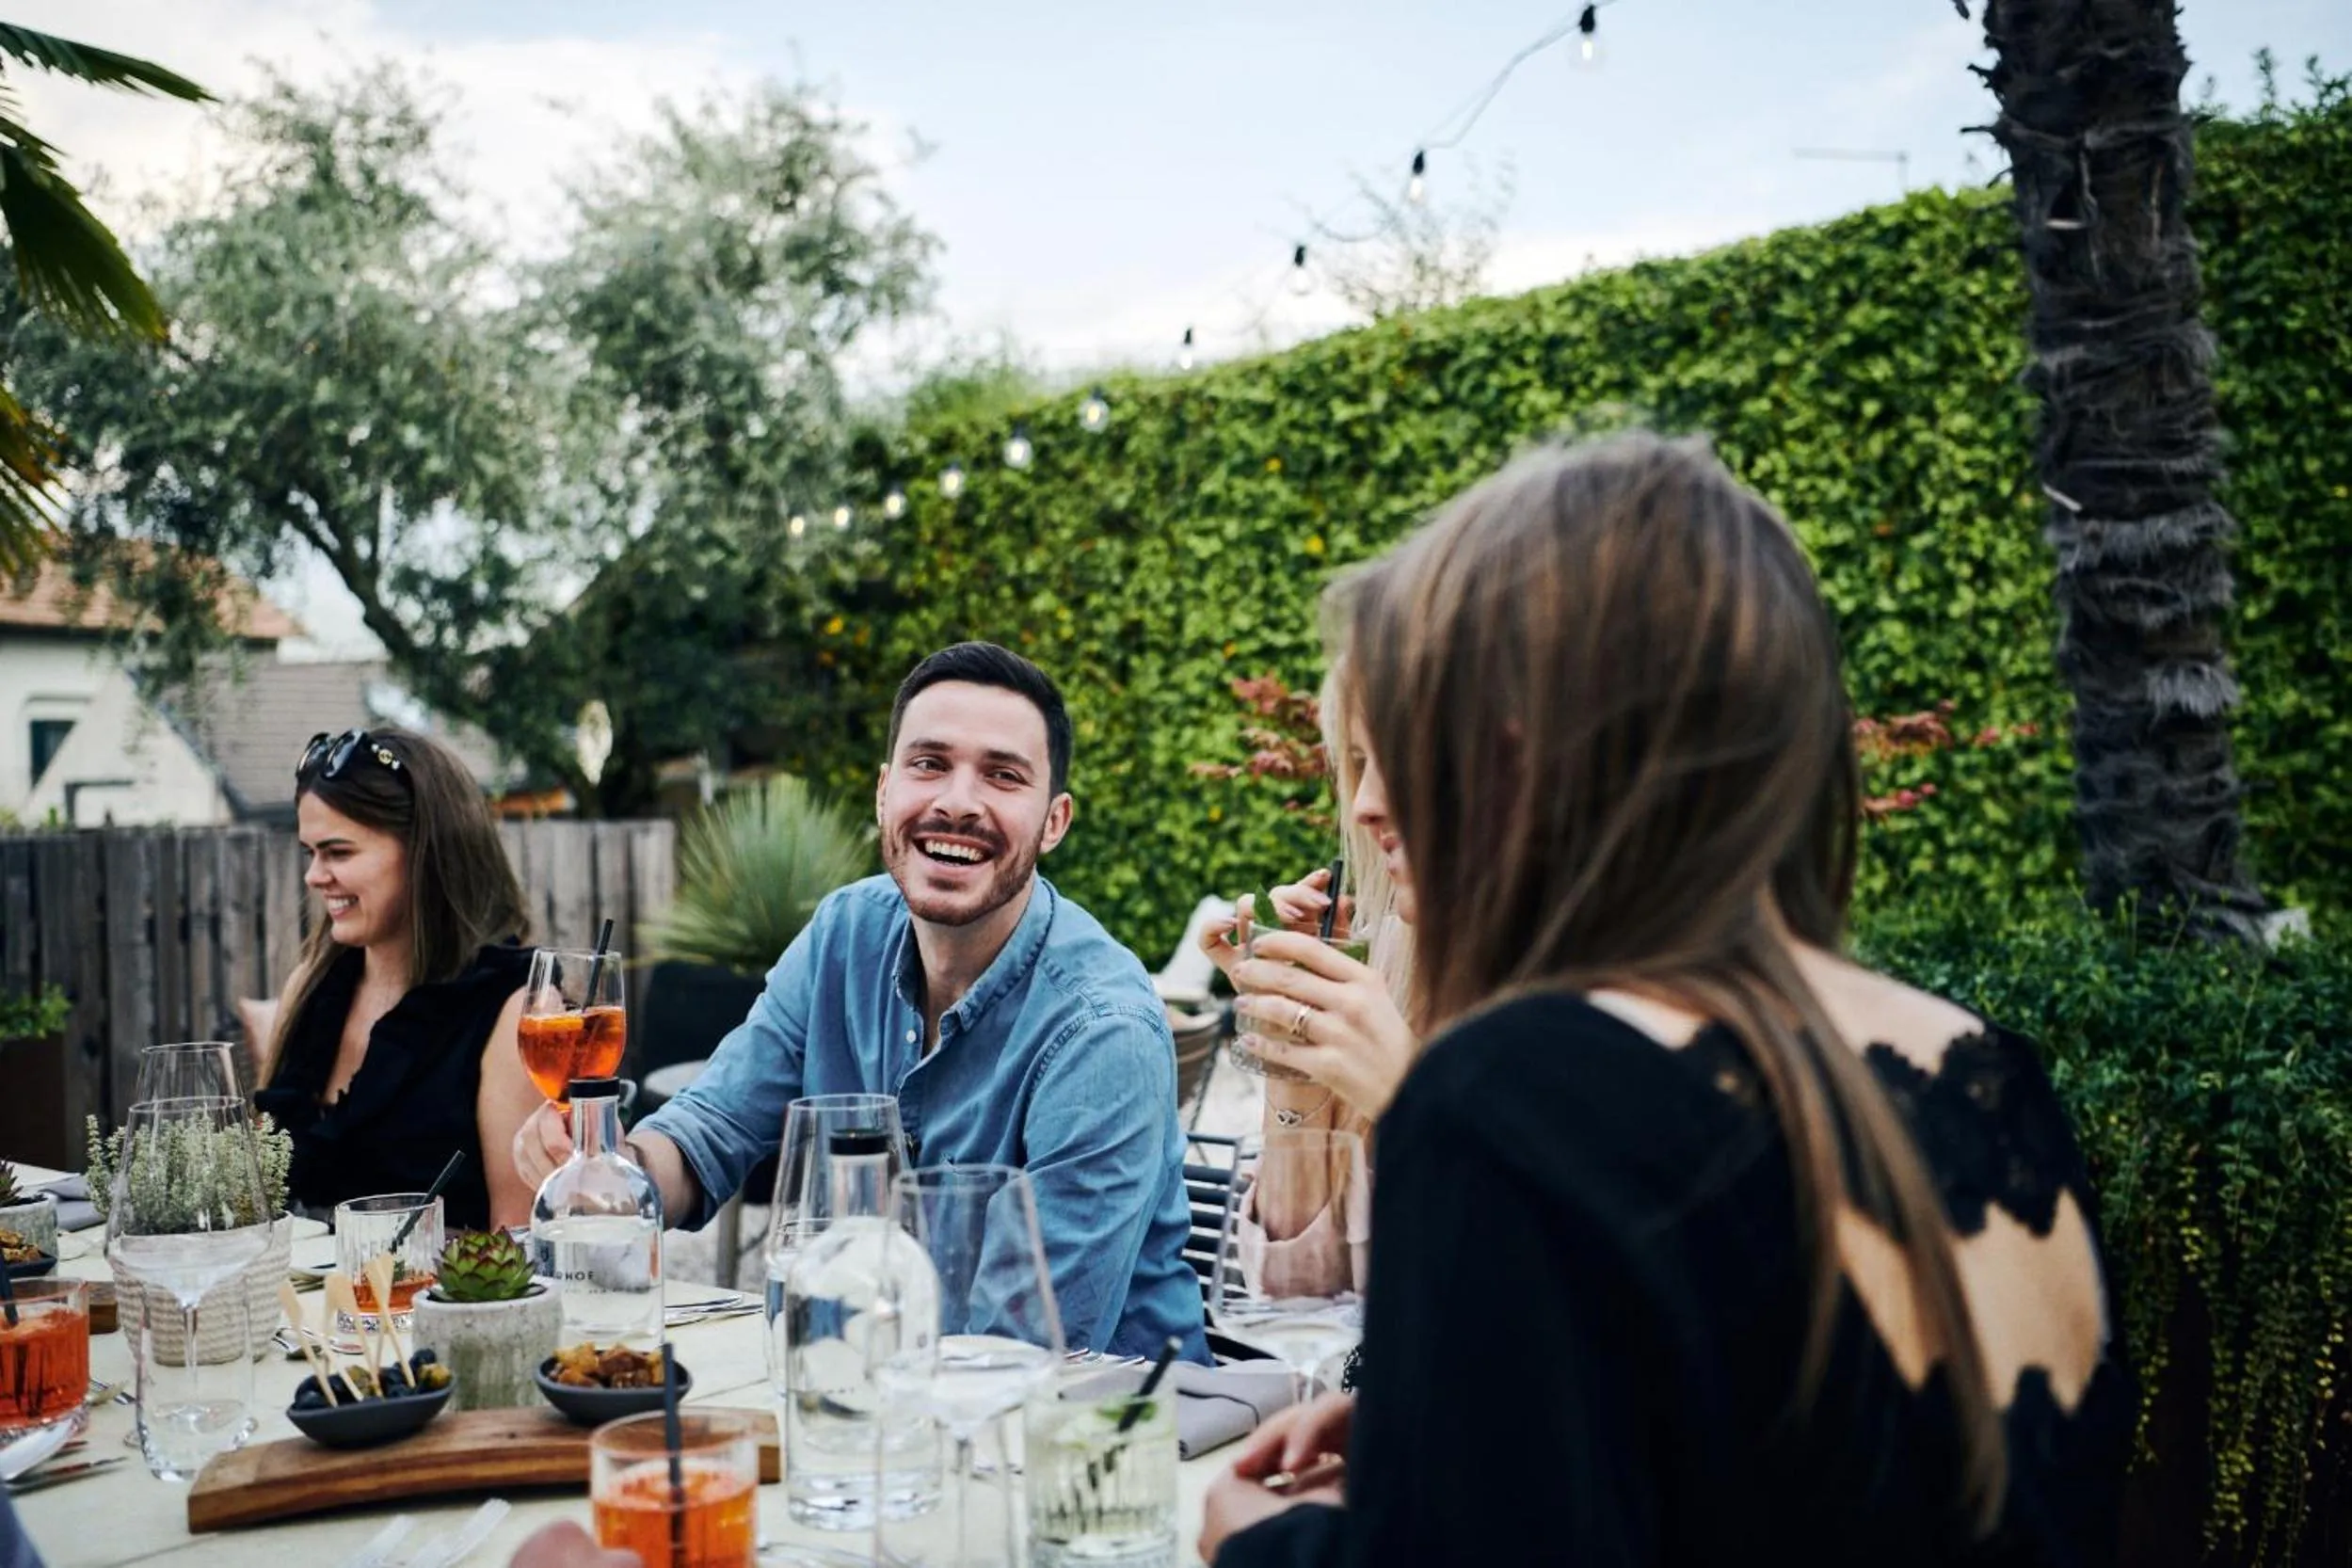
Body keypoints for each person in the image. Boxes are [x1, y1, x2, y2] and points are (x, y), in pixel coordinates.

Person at [1202, 434, 2131, 1565]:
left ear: (1585, 750)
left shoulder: (1514, 1090)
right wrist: (1458, 1435)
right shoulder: (1989, 1074)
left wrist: (1265, 1545)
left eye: (1434, 734)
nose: (1376, 803)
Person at [513, 642, 1209, 1362]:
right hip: (876, 1390)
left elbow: (1027, 1349)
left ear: (1054, 822)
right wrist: (610, 1174)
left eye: (1002, 776)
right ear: (884, 792)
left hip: (1107, 1432)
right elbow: (710, 1129)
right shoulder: (843, 936)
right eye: (929, 764)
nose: (956, 802)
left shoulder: (1100, 1029)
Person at [255, 728, 539, 1231]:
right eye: (310, 853)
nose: (314, 876)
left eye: (338, 852)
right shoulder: (310, 988)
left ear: (426, 854)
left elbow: (517, 1250)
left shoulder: (512, 1012)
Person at [1200, 667, 1416, 1301]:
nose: (1364, 803)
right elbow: (1296, 1296)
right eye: (1356, 762)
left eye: (1403, 759)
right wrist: (1291, 1057)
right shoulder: (1393, 966)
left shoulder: (1619, 1013)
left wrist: (1414, 1098)